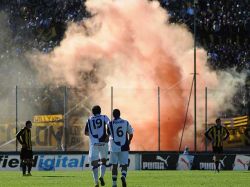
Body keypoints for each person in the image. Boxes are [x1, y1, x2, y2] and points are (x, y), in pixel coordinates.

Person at [85, 105, 110, 187]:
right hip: (103, 142)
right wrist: (107, 136)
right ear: (100, 111)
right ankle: (101, 176)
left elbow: (85, 132)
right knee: (103, 160)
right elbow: (110, 125)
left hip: (94, 143)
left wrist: (92, 136)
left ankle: (96, 182)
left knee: (94, 163)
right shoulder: (104, 117)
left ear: (92, 112)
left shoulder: (89, 120)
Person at [108, 109, 134, 187]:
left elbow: (108, 133)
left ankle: (114, 184)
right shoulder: (125, 122)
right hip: (124, 146)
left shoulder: (110, 123)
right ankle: (123, 176)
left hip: (113, 147)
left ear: (113, 115)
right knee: (124, 165)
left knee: (114, 166)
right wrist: (129, 141)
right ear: (120, 114)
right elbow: (131, 133)